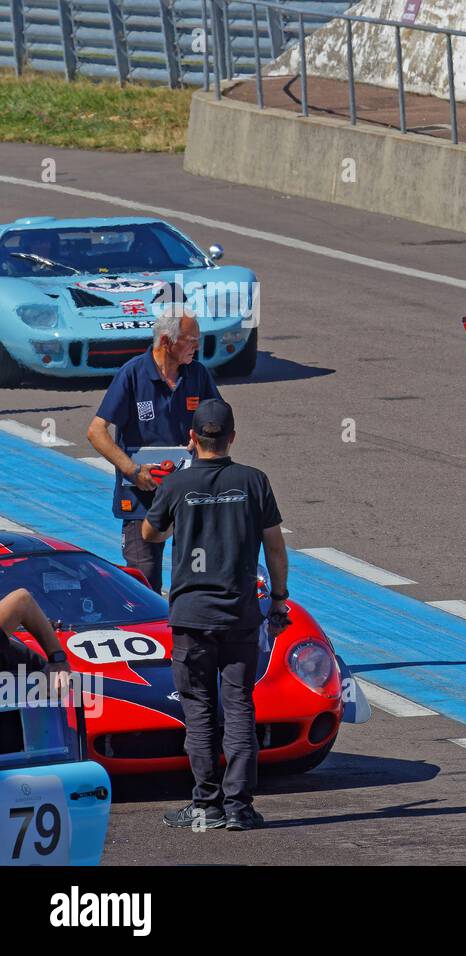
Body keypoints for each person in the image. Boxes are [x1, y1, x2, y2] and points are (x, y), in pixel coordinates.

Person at [141, 399, 289, 831]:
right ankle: (240, 806)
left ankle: (206, 805)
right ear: (232, 438)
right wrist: (278, 599)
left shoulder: (178, 485)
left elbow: (151, 532)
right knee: (239, 703)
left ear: (192, 438)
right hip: (240, 613)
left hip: (191, 615)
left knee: (199, 708)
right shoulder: (254, 481)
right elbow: (275, 548)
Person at [87, 304, 221, 592]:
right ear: (166, 341)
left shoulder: (197, 374)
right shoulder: (132, 374)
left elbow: (219, 422)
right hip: (142, 494)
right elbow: (96, 431)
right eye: (191, 339)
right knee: (143, 582)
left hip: (190, 492)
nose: (198, 345)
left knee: (197, 576)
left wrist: (202, 436)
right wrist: (132, 470)